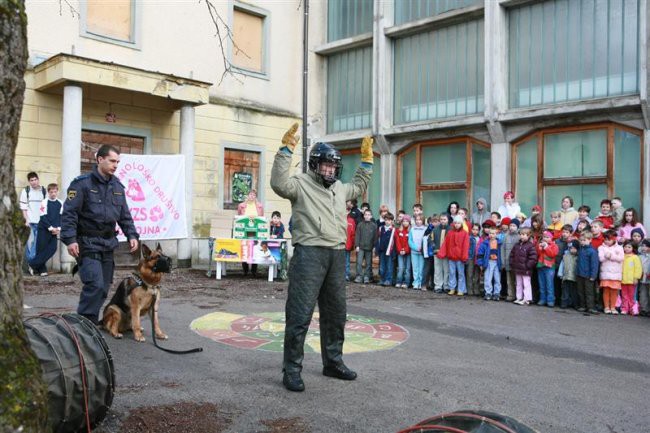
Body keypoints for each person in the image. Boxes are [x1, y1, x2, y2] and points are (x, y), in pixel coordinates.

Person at [270, 123, 373, 392]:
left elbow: (359, 185)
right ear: (315, 164)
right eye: (326, 165)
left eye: (334, 166)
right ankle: (291, 369)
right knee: (300, 314)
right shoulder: (301, 184)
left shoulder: (339, 188)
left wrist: (367, 161)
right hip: (309, 255)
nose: (330, 170)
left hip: (337, 255)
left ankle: (333, 362)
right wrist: (285, 150)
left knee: (336, 314)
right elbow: (278, 183)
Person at [61, 144, 139, 325]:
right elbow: (69, 213)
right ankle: (84, 327)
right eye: (112, 161)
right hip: (87, 243)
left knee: (103, 288)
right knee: (94, 285)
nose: (115, 165)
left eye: (118, 162)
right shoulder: (82, 184)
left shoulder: (118, 186)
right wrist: (70, 240)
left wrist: (132, 235)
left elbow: (124, 215)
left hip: (107, 244)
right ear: (100, 159)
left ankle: (89, 323)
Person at [28, 183, 63, 276]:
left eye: (55, 192)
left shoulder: (60, 203)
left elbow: (61, 217)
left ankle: (32, 264)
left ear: (57, 192)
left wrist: (58, 228)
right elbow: (43, 216)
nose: (53, 194)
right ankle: (42, 270)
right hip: (44, 229)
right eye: (51, 192)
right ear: (48, 192)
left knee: (52, 248)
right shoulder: (44, 202)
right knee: (41, 249)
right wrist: (51, 228)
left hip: (55, 230)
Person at [19, 171, 47, 270]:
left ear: (38, 180)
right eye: (32, 180)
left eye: (35, 179)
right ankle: (31, 264)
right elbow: (23, 208)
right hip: (30, 222)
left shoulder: (43, 191)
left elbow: (46, 207)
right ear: (29, 182)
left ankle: (32, 264)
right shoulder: (26, 191)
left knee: (38, 244)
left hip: (41, 222)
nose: (34, 182)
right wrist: (26, 220)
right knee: (30, 244)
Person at [438, 215, 469, 296]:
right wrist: (441, 253)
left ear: (461, 224)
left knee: (461, 274)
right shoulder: (450, 233)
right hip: (451, 257)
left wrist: (464, 256)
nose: (457, 224)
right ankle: (452, 288)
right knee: (452, 273)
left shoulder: (465, 234)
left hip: (460, 258)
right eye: (456, 223)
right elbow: (445, 244)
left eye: (459, 223)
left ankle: (461, 289)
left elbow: (466, 246)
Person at [237, 189, 264, 277]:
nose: (252, 196)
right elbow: (238, 218)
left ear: (255, 197)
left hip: (255, 231)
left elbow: (262, 219)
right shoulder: (241, 206)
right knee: (244, 248)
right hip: (244, 231)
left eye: (254, 195)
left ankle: (254, 270)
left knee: (255, 249)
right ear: (247, 195)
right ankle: (245, 270)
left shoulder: (260, 206)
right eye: (250, 194)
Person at [598, 230, 624, 315]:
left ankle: (613, 307)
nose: (606, 241)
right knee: (606, 290)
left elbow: (621, 258)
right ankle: (606, 307)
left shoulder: (619, 248)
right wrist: (606, 256)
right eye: (605, 239)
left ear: (614, 239)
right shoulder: (601, 247)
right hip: (605, 273)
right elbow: (600, 258)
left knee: (614, 291)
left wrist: (612, 256)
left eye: (608, 239)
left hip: (616, 273)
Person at [510, 228, 538, 305]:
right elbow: (512, 255)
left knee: (526, 284)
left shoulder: (530, 246)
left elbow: (533, 258)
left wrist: (527, 266)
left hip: (526, 269)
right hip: (518, 268)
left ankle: (527, 299)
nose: (521, 236)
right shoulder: (516, 245)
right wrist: (512, 263)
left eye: (524, 235)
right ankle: (519, 297)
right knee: (518, 283)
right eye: (521, 234)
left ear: (528, 236)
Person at [477, 227, 503, 301]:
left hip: (497, 263)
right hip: (488, 262)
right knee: (488, 278)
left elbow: (502, 254)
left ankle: (496, 293)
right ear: (489, 234)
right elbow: (480, 254)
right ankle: (488, 293)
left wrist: (502, 264)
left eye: (494, 233)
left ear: (497, 234)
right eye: (490, 233)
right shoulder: (485, 243)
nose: (492, 235)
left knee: (497, 278)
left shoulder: (500, 243)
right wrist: (480, 264)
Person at [575, 232, 599, 314]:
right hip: (580, 274)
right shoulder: (581, 250)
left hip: (588, 276)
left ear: (590, 240)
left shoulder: (592, 251)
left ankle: (591, 307)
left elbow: (594, 264)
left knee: (589, 292)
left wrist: (593, 275)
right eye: (581, 240)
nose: (582, 242)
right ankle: (583, 306)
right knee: (580, 291)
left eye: (584, 240)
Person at [536, 231, 559, 307]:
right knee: (542, 284)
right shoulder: (541, 243)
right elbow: (538, 254)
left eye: (547, 237)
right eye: (544, 237)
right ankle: (542, 299)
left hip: (549, 267)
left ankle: (550, 300)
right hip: (541, 266)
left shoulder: (554, 245)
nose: (545, 238)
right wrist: (539, 248)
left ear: (551, 238)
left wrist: (546, 247)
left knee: (549, 285)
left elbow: (552, 254)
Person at [354, 209, 377, 284]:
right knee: (359, 262)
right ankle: (359, 276)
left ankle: (367, 276)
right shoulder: (360, 224)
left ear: (371, 216)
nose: (367, 216)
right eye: (366, 214)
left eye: (368, 215)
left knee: (368, 263)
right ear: (363, 216)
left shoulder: (374, 225)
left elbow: (375, 237)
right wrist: (357, 245)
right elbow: (357, 235)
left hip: (369, 247)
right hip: (360, 247)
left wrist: (374, 246)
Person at [620, 240, 642, 315]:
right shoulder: (622, 256)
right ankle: (624, 308)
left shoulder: (635, 257)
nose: (626, 248)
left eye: (629, 247)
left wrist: (636, 277)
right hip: (623, 280)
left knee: (632, 296)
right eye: (625, 246)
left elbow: (638, 268)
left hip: (632, 280)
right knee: (624, 295)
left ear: (633, 248)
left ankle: (633, 309)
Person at [501, 218, 521, 302]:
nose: (512, 227)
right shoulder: (506, 236)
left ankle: (518, 295)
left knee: (518, 281)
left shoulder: (519, 236)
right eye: (510, 225)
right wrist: (503, 262)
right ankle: (510, 295)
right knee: (509, 280)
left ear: (518, 227)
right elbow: (503, 249)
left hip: (517, 263)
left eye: (514, 226)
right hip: (508, 262)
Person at [557, 240, 580, 309]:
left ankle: (575, 304)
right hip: (566, 276)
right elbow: (562, 264)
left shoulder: (578, 256)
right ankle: (564, 303)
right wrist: (560, 273)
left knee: (574, 292)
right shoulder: (565, 255)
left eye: (573, 248)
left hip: (574, 277)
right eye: (570, 248)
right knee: (565, 291)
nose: (571, 250)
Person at [376, 212, 396, 286]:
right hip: (382, 251)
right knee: (382, 266)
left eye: (389, 220)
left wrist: (393, 252)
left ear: (392, 221)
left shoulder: (393, 230)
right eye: (386, 220)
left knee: (389, 266)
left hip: (389, 251)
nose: (387, 221)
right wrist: (377, 249)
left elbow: (394, 242)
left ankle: (388, 280)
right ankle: (382, 279)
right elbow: (378, 239)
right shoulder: (381, 228)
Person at [408, 214, 427, 290]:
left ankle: (420, 283)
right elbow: (410, 241)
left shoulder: (425, 229)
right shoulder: (412, 229)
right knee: (415, 268)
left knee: (421, 268)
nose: (418, 221)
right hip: (414, 252)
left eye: (420, 220)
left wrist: (421, 248)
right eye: (417, 220)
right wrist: (415, 248)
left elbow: (426, 240)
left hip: (422, 252)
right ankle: (415, 283)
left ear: (422, 221)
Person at [394, 214, 411, 289]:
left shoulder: (411, 231)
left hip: (408, 252)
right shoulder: (398, 230)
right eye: (403, 221)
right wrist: (400, 250)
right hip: (400, 252)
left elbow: (410, 242)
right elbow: (397, 241)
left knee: (407, 268)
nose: (405, 222)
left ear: (409, 222)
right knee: (400, 268)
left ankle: (406, 282)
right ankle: (399, 281)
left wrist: (406, 250)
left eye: (406, 221)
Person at [466, 223, 481, 296]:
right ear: (471, 230)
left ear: (479, 231)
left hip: (477, 258)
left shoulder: (480, 238)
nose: (475, 231)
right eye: (473, 229)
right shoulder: (469, 238)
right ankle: (469, 290)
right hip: (470, 257)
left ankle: (476, 289)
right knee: (469, 274)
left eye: (477, 230)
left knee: (477, 274)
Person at [638, 239, 650, 316]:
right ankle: (644, 309)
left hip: (649, 277)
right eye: (642, 246)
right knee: (643, 293)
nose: (643, 248)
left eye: (645, 246)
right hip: (643, 278)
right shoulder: (640, 256)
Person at [344, 212, 356, 282]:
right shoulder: (337, 218)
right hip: (338, 244)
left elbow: (353, 234)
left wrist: (353, 244)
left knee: (347, 261)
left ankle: (346, 275)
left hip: (347, 244)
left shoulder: (351, 221)